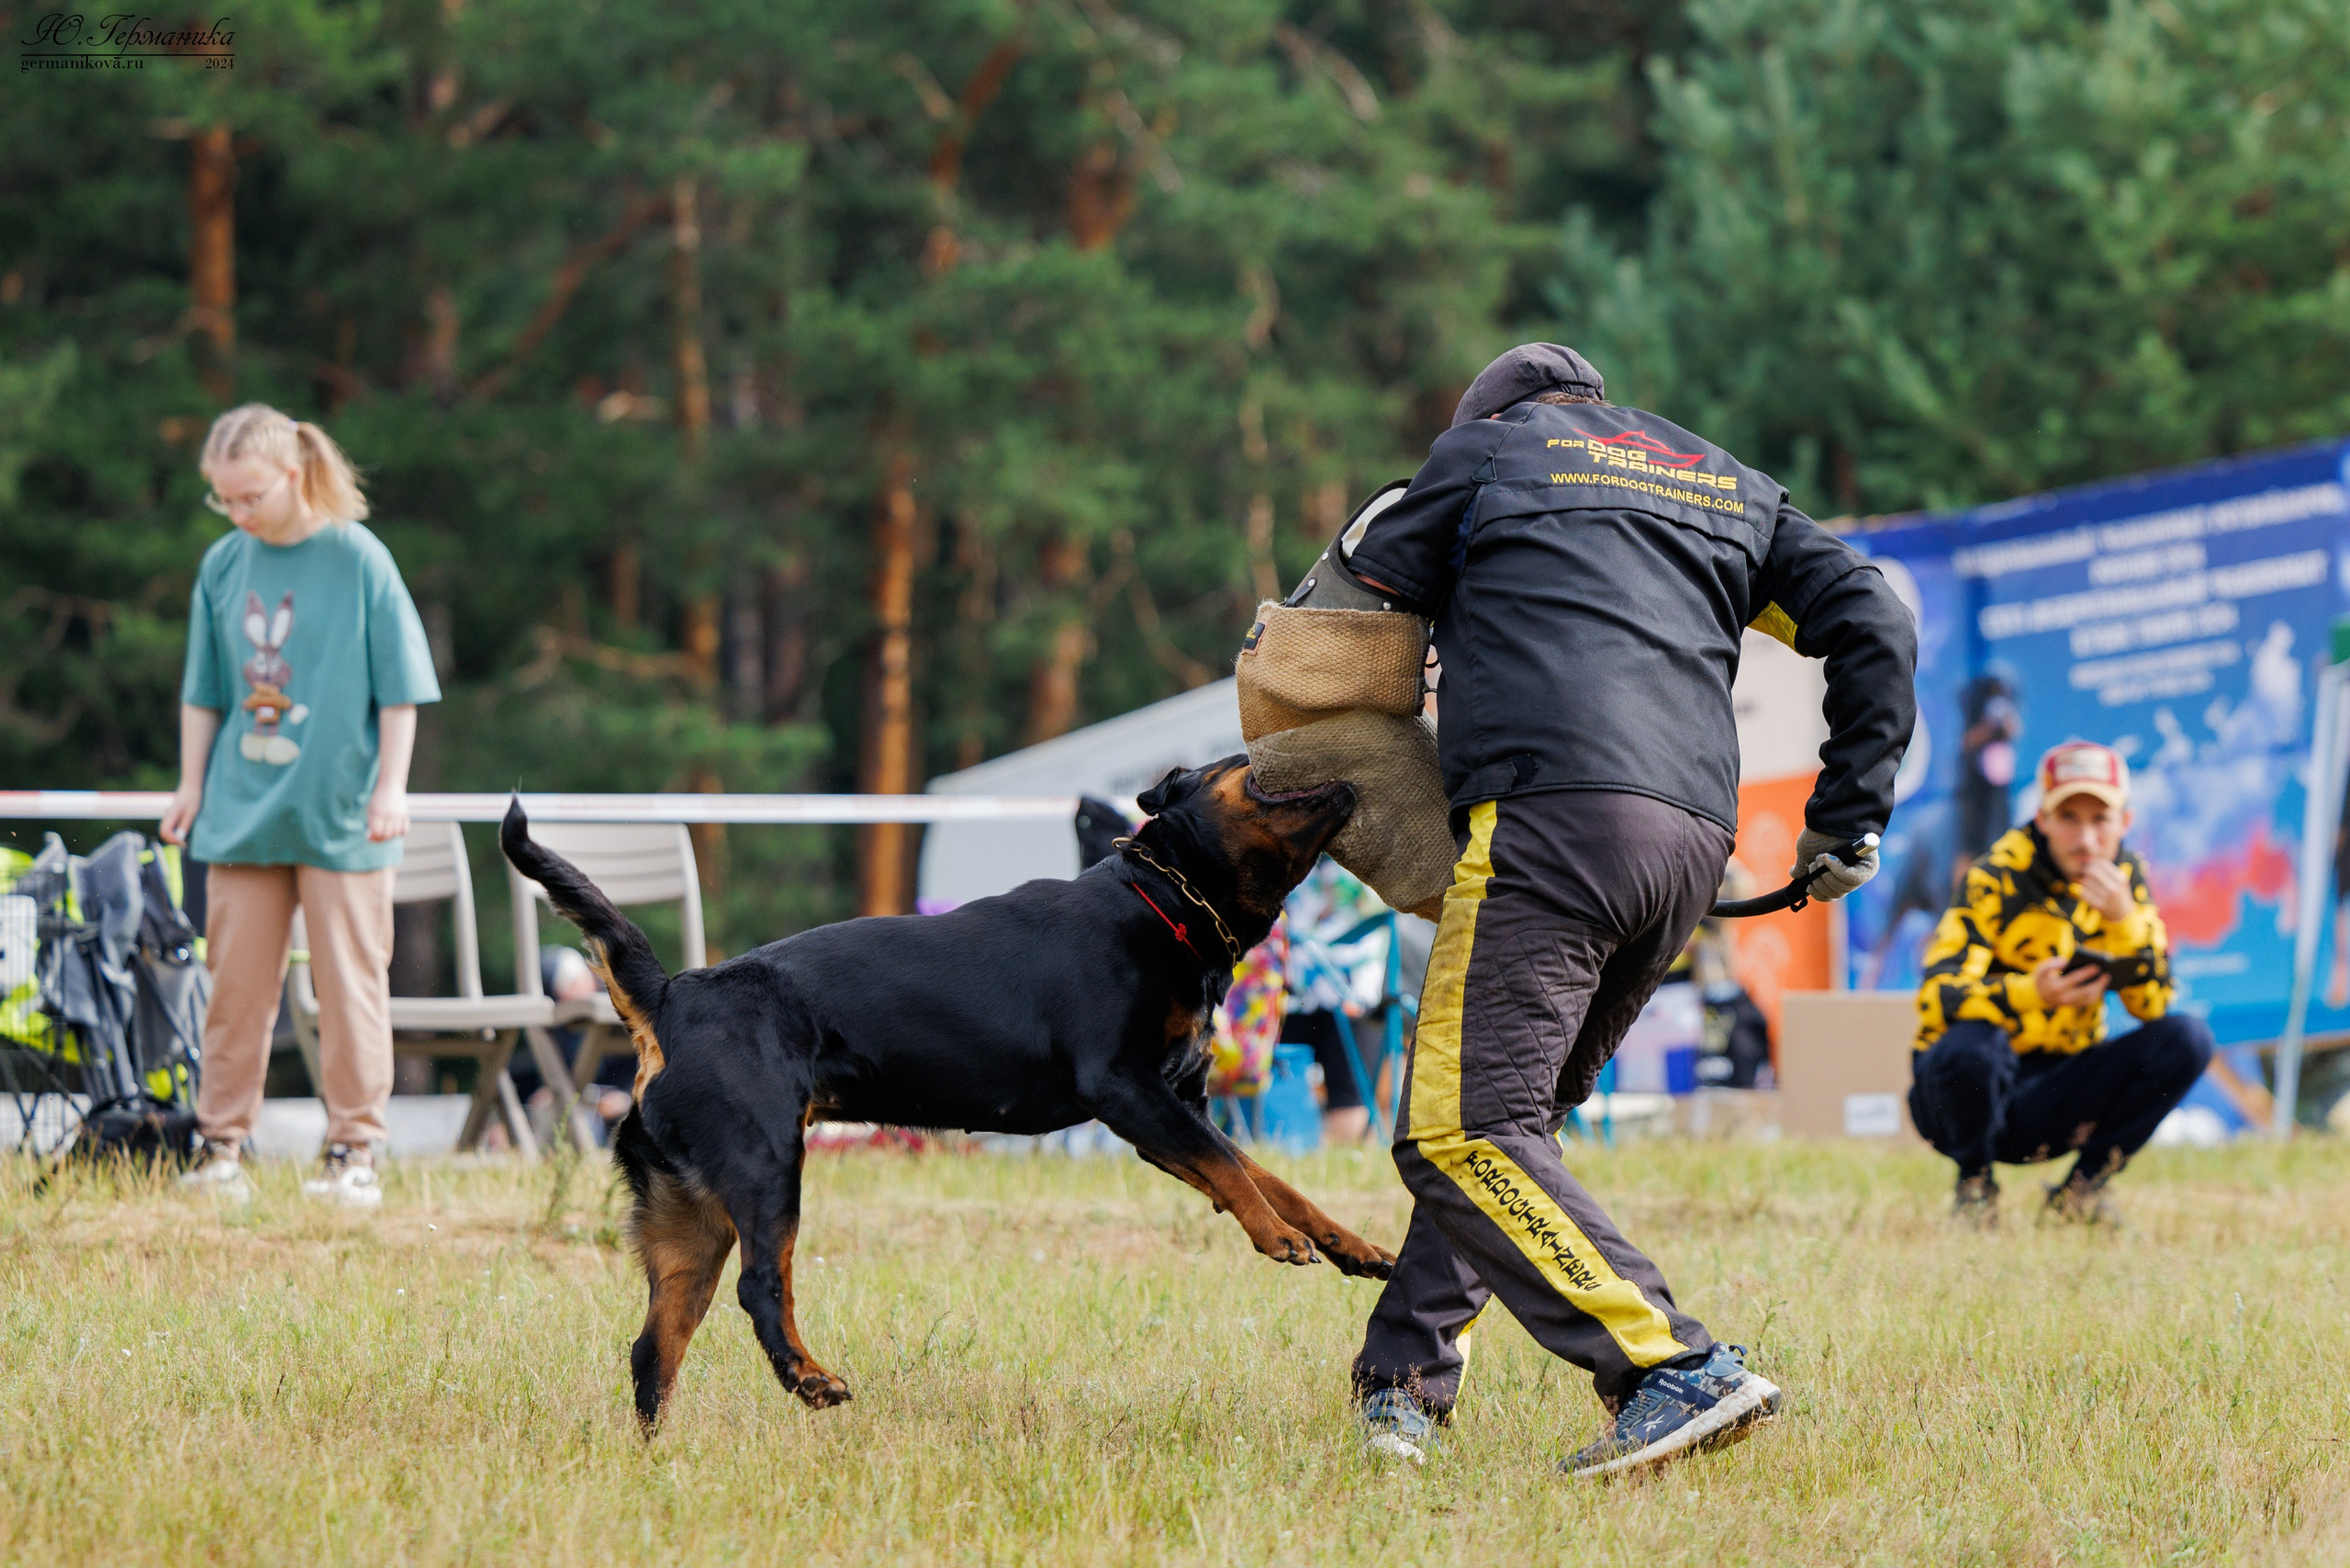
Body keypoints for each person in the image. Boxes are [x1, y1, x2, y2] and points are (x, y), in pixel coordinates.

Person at [1338, 344, 1917, 1477]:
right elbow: (1873, 620)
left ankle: (1665, 1367)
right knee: (1511, 1120)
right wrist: (1847, 812)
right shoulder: (1723, 482)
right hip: (1691, 847)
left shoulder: (1486, 454)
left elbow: (1340, 632)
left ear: (1492, 412)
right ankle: (1402, 1384)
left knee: (1459, 1128)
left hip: (1552, 819)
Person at [163, 404, 442, 1208]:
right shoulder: (223, 564)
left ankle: (355, 1148)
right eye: (225, 500)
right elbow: (204, 692)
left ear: (292, 474)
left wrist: (392, 788)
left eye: (249, 495)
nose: (238, 512)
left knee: (351, 984)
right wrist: (190, 785)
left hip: (344, 813)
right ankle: (221, 1145)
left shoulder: (358, 557)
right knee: (234, 986)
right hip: (242, 812)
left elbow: (402, 692)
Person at [1909, 741, 2212, 1226]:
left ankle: (2079, 1193)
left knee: (2188, 1038)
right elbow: (1936, 997)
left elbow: (2154, 1004)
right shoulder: (1996, 875)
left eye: (2101, 819)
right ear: (2043, 819)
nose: (2086, 838)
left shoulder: (2126, 882)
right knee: (1973, 1048)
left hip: (2057, 1087)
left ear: (2124, 824)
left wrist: (2125, 922)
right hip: (1960, 1094)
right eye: (2068, 816)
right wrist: (2033, 992)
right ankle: (1974, 1185)